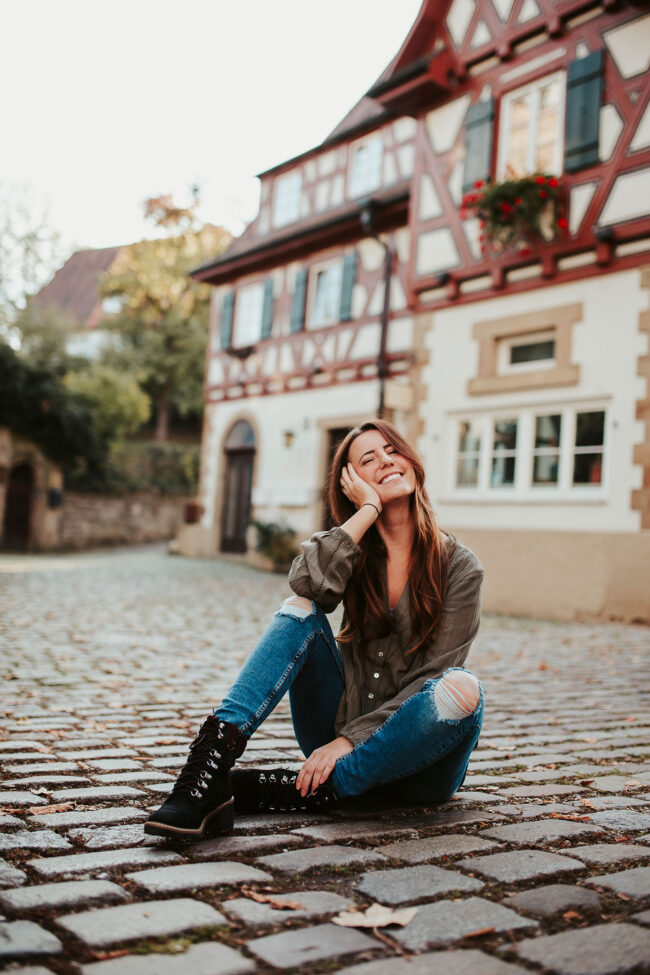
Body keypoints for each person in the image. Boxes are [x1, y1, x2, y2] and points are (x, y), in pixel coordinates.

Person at [145, 419, 485, 840]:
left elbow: (433, 675)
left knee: (463, 689)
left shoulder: (460, 566)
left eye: (392, 450)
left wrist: (349, 742)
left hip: (419, 766)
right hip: (332, 732)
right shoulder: (352, 548)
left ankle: (309, 791)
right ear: (351, 482)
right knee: (300, 609)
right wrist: (366, 512)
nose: (385, 461)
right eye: (368, 458)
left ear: (412, 462)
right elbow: (307, 586)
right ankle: (210, 764)